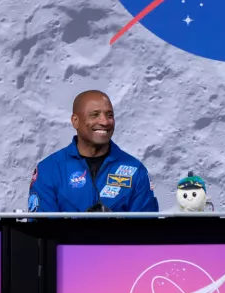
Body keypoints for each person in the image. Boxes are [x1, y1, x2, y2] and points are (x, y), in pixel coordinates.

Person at [29, 90, 159, 212]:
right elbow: (41, 230)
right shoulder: (49, 169)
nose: (104, 122)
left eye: (109, 115)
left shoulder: (135, 170)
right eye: (94, 115)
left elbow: (147, 231)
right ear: (75, 121)